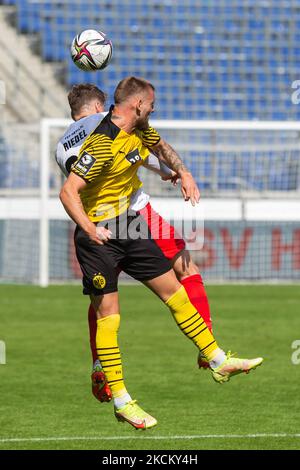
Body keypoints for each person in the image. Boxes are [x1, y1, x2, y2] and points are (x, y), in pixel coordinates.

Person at [59, 77, 263, 430]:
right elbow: (68, 192)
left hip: (131, 224)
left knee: (175, 293)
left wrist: (182, 172)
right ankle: (122, 400)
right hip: (100, 236)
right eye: (151, 103)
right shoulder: (101, 141)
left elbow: (162, 147)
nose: (154, 108)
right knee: (110, 317)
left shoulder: (140, 129)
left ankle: (216, 359)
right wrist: (91, 230)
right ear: (137, 105)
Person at [56, 83, 214, 404]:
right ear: (100, 104)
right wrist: (169, 172)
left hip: (99, 223)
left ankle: (99, 363)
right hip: (134, 213)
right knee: (185, 268)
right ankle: (208, 344)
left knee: (102, 301)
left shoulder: (61, 146)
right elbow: (133, 155)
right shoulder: (107, 128)